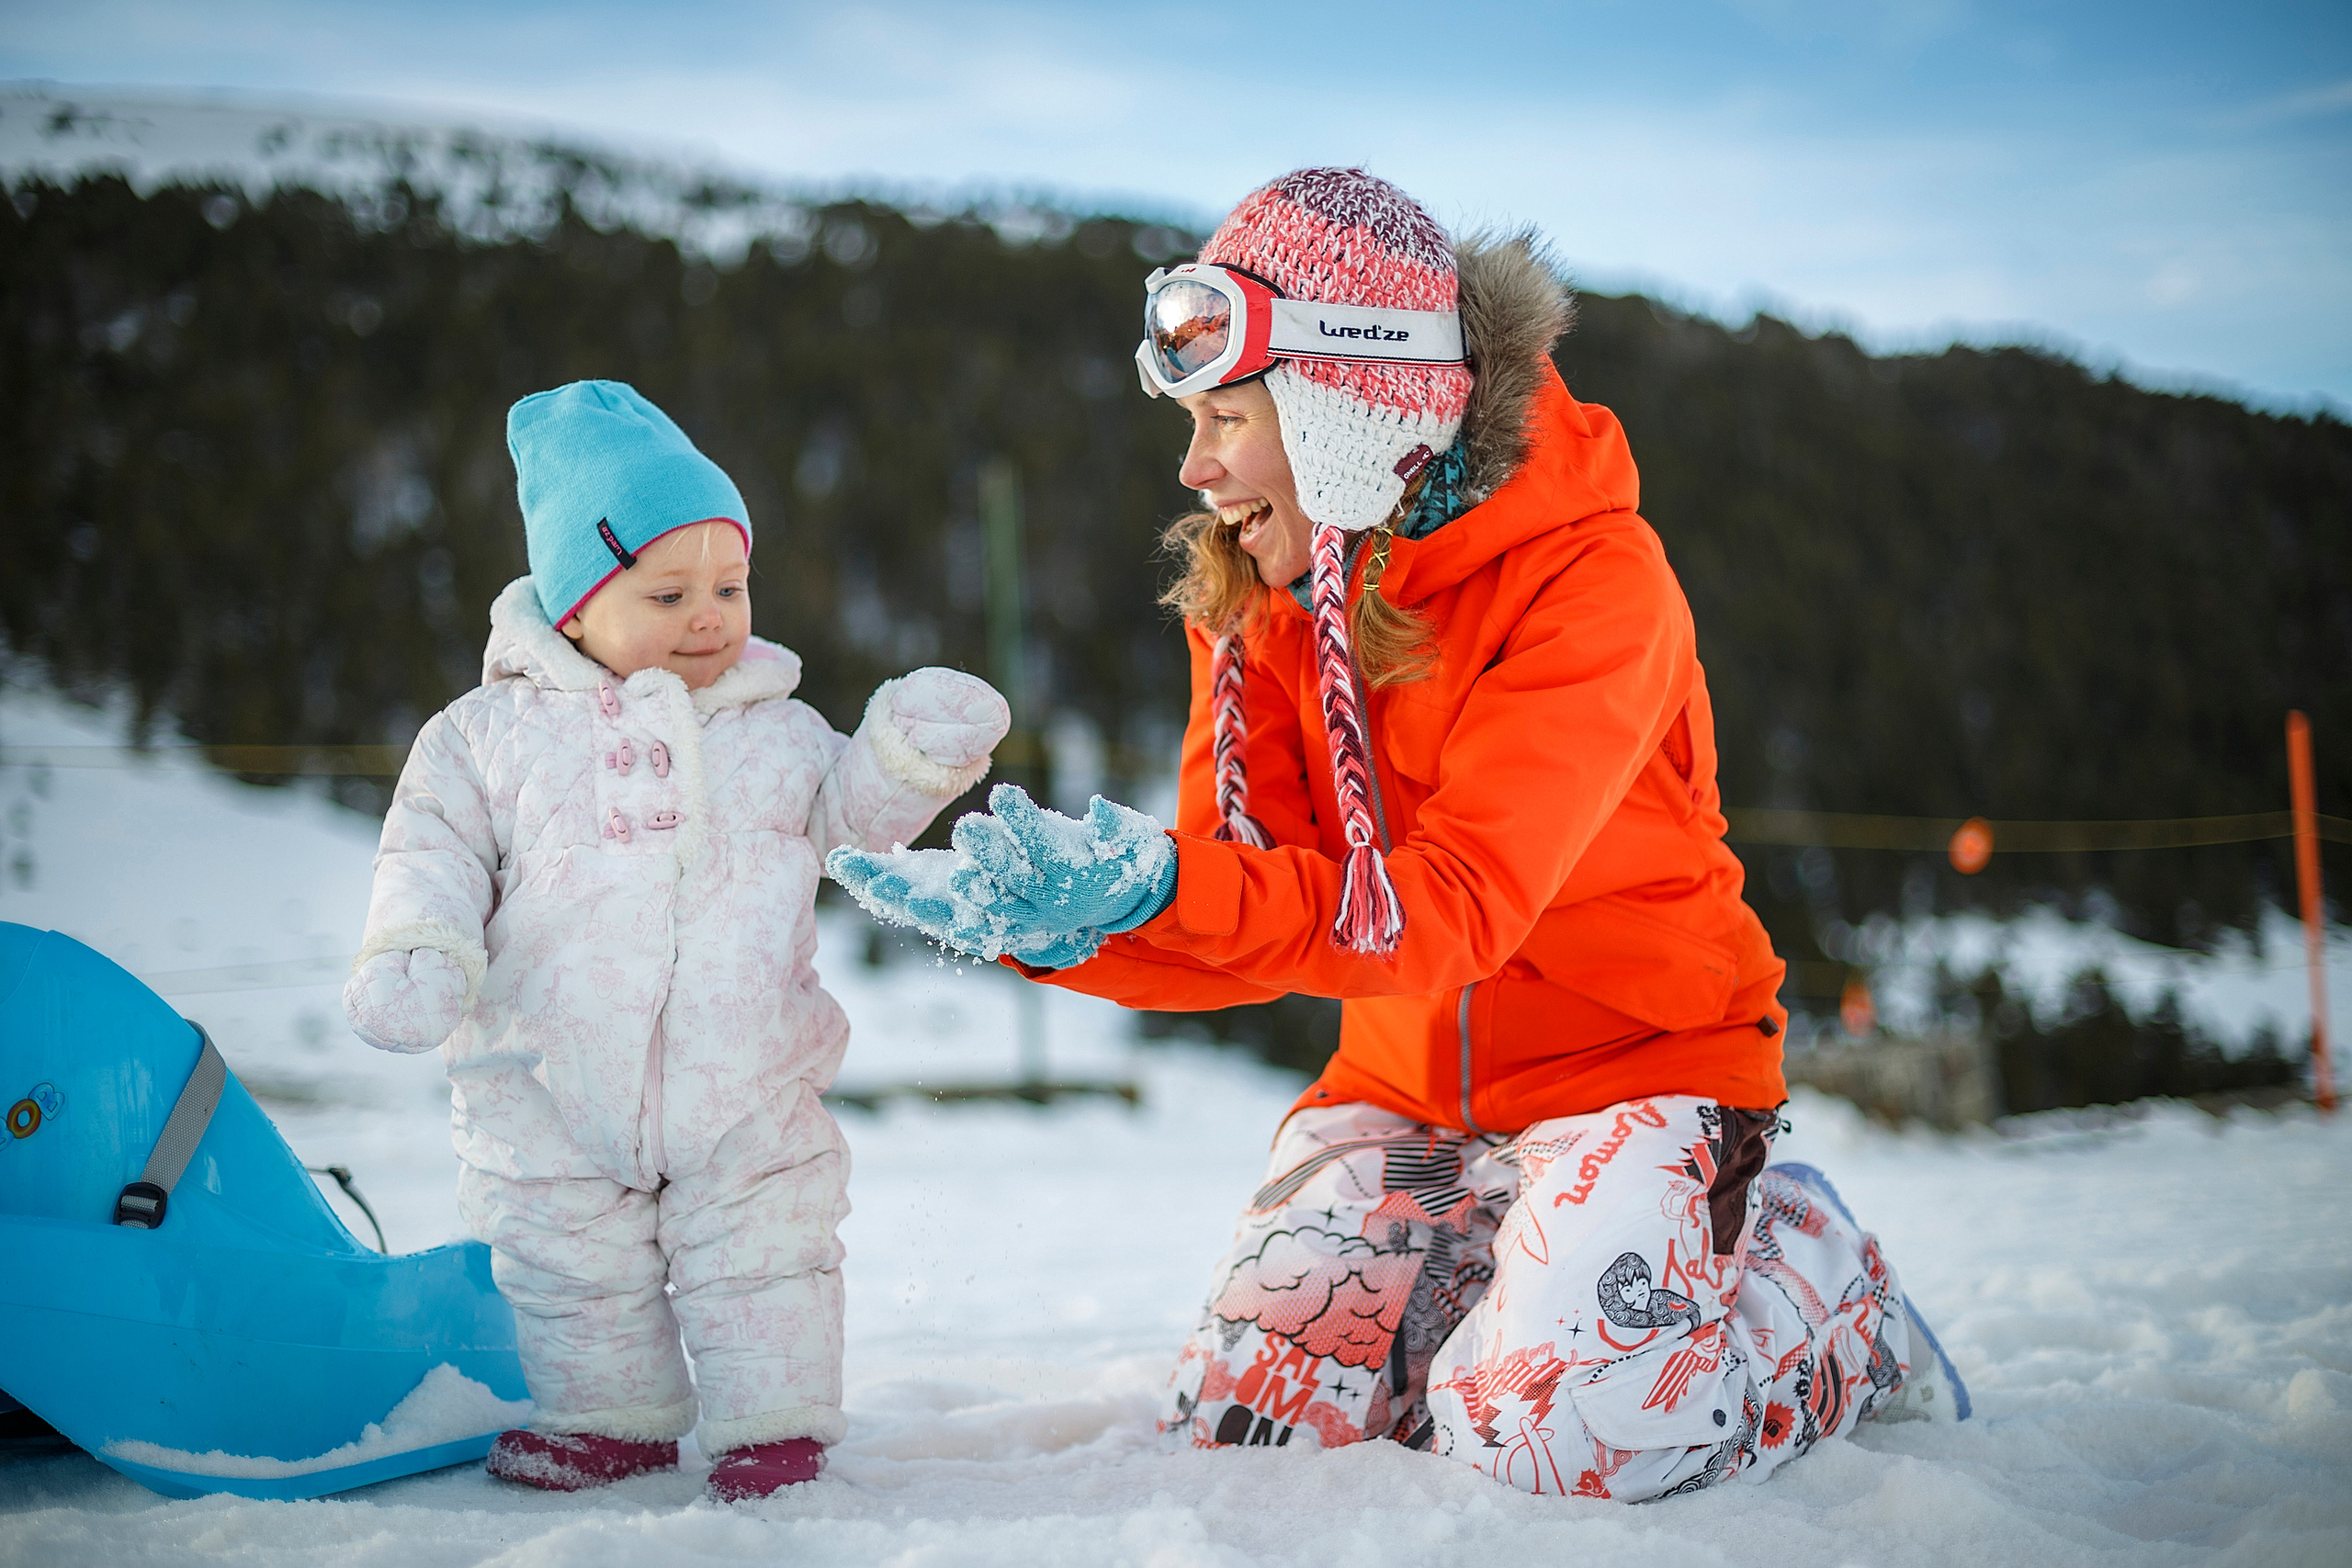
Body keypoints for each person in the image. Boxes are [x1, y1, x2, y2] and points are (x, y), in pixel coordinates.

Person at [831, 170, 1969, 1501]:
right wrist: (1088, 923)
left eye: (1227, 419)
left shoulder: (1596, 582)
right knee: (1255, 1430)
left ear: (1349, 406)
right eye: (1190, 424)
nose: (1196, 468)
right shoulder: (1254, 599)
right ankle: (1513, 1279)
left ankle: (1820, 1291)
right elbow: (1248, 916)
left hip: (1633, 1069)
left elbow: (1456, 906)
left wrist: (1163, 886)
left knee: (1558, 1439)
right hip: (1406, 1089)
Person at [343, 380, 1010, 1500]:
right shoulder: (485, 739)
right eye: (668, 592)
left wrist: (906, 754)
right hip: (545, 1086)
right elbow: (429, 853)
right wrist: (418, 949)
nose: (710, 616)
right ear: (573, 606)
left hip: (743, 1078)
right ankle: (610, 1423)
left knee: (768, 1250)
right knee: (565, 1263)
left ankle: (774, 1427)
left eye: (730, 585)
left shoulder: (778, 729)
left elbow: (849, 819)